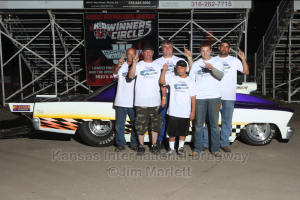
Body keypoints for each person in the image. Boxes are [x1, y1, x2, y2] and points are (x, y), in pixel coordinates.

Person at [154, 40, 193, 146]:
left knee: (176, 118)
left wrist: (189, 57)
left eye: (169, 47)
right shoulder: (156, 62)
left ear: (172, 48)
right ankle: (161, 141)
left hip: (178, 94)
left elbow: (191, 71)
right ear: (162, 49)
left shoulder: (179, 60)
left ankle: (175, 143)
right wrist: (163, 96)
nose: (167, 49)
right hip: (164, 94)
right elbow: (158, 81)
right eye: (165, 47)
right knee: (162, 119)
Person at [189, 41, 224, 157]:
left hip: (214, 97)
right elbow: (191, 81)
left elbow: (220, 76)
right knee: (198, 125)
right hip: (200, 98)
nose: (205, 53)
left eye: (207, 51)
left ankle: (215, 149)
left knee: (214, 125)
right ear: (200, 52)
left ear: (210, 51)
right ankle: (197, 149)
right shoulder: (196, 64)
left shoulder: (217, 61)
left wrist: (212, 68)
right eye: (203, 51)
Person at [128, 42, 162, 156]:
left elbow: (162, 83)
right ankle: (141, 146)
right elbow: (131, 76)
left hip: (155, 101)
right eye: (145, 52)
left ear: (153, 53)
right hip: (141, 102)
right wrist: (134, 63)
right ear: (143, 53)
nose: (148, 54)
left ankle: (154, 145)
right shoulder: (138, 65)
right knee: (140, 125)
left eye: (150, 52)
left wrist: (163, 97)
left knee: (155, 125)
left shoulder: (158, 65)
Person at [215, 40, 249, 152]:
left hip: (229, 96)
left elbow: (246, 71)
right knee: (212, 121)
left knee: (227, 121)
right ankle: (211, 143)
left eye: (226, 47)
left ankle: (224, 143)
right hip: (214, 95)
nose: (224, 48)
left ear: (229, 49)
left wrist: (243, 58)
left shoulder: (234, 60)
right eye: (222, 46)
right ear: (219, 48)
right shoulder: (213, 60)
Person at [159, 60, 196, 157]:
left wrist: (193, 112)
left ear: (186, 69)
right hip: (173, 112)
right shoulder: (172, 79)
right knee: (171, 132)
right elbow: (162, 82)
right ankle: (171, 149)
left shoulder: (191, 81)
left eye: (182, 67)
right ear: (176, 69)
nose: (180, 69)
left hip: (185, 112)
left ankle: (180, 148)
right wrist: (164, 70)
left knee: (182, 132)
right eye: (178, 67)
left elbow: (193, 97)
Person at [113, 48, 138, 151]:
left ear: (136, 55)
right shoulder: (122, 65)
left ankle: (134, 144)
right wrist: (118, 64)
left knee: (135, 125)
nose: (131, 56)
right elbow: (114, 76)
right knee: (119, 125)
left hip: (135, 102)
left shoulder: (139, 66)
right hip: (121, 101)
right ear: (126, 55)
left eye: (133, 54)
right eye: (129, 54)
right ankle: (120, 144)